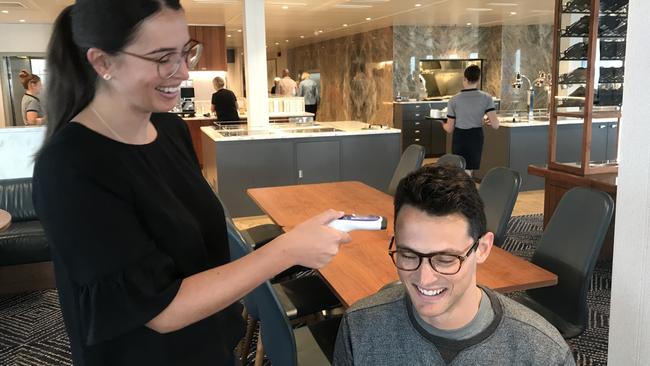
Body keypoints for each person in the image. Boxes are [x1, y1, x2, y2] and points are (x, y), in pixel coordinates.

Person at [32, 1, 351, 365]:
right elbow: (159, 308)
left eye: (186, 53)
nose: (182, 72)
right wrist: (286, 251)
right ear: (103, 63)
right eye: (162, 58)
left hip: (210, 345)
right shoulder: (71, 167)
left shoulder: (169, 130)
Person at [333, 165, 575, 366]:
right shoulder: (360, 328)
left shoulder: (543, 353)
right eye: (408, 255)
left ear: (482, 249)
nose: (424, 279)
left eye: (446, 260)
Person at [442, 65, 499, 176]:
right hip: (476, 136)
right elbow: (495, 125)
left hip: (460, 136)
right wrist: (485, 120)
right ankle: (468, 189)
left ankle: (463, 190)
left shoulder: (454, 100)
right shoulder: (486, 97)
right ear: (478, 80)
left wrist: (442, 123)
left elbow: (449, 128)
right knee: (470, 168)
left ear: (465, 79)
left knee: (460, 168)